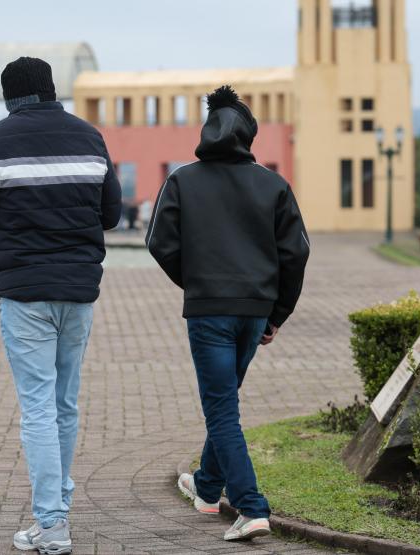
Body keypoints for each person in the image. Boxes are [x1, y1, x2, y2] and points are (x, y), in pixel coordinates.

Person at [0, 57, 121, 555]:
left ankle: (51, 524)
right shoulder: (90, 137)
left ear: (10, 97)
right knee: (64, 405)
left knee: (38, 410)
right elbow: (110, 213)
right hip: (77, 291)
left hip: (25, 292)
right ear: (51, 90)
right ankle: (56, 513)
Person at [146, 85, 309, 541]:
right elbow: (296, 254)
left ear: (208, 130)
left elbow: (159, 242)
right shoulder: (274, 185)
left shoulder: (182, 180)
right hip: (255, 313)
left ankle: (252, 507)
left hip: (210, 312)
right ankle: (206, 487)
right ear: (249, 137)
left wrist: (198, 285)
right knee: (225, 402)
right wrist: (277, 313)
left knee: (221, 409)